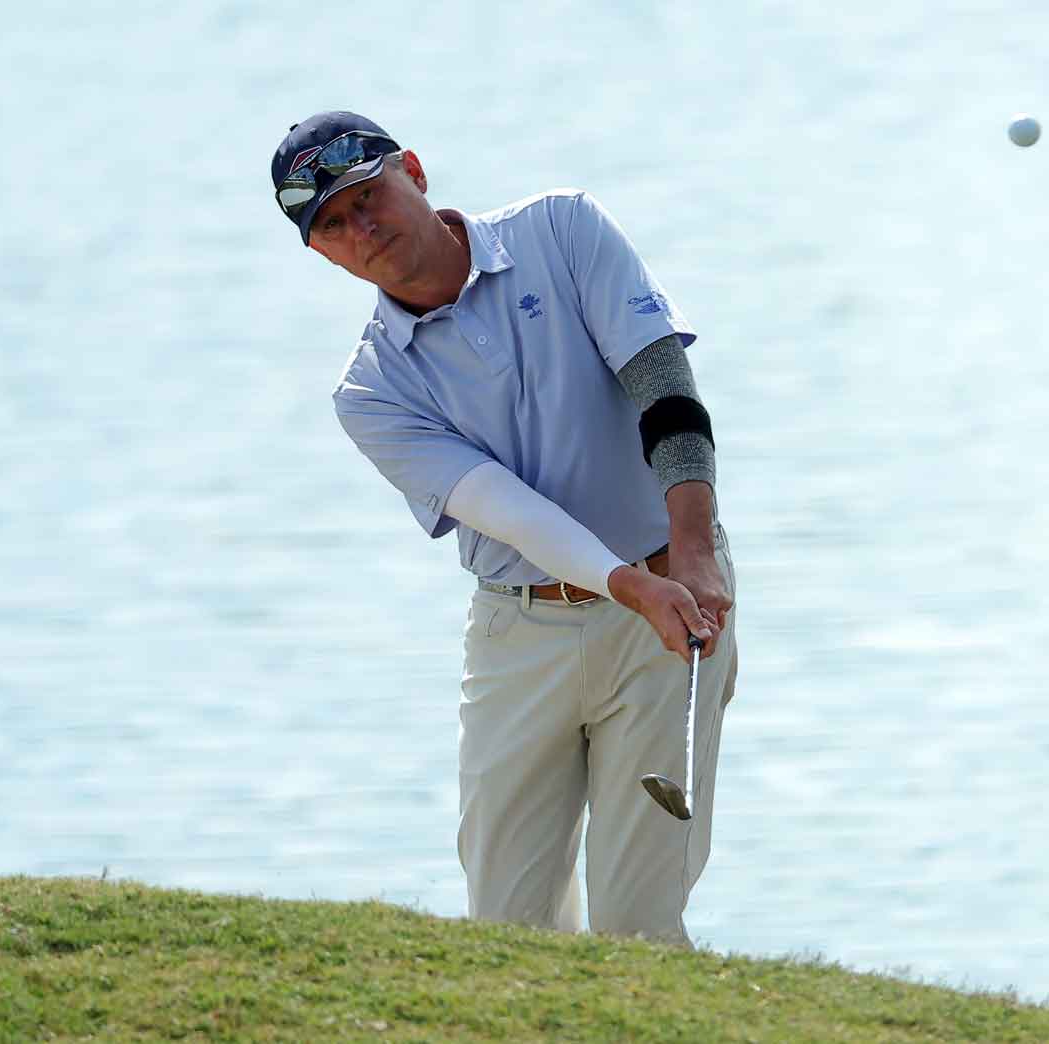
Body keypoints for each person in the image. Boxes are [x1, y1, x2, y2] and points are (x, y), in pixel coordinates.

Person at [269, 111, 737, 945]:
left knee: (639, 927)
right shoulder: (372, 391)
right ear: (321, 253)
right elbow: (510, 513)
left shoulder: (561, 229)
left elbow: (662, 382)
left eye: (368, 196)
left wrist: (693, 552)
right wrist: (633, 586)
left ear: (413, 170)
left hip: (672, 607)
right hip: (520, 636)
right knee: (506, 933)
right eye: (334, 225)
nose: (362, 229)